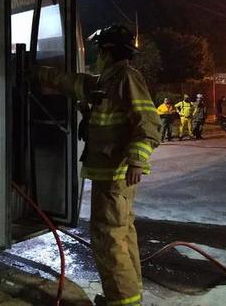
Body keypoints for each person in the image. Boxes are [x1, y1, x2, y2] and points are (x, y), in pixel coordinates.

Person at [33, 24, 160, 306]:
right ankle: (128, 297)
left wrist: (137, 159)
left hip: (116, 174)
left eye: (100, 50)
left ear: (108, 51)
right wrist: (36, 72)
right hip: (110, 173)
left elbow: (149, 122)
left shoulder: (126, 77)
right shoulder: (107, 80)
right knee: (122, 235)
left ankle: (122, 300)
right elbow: (71, 82)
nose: (97, 55)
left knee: (110, 238)